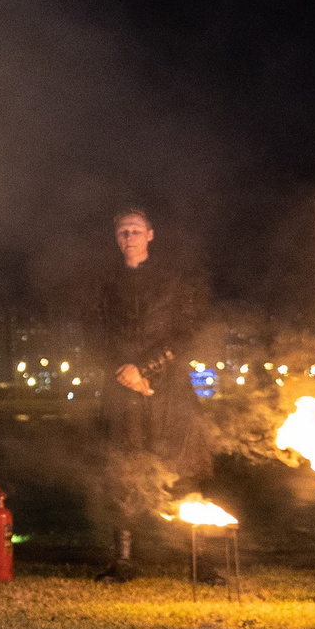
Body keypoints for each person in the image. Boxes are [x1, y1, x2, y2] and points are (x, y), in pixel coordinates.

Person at [85, 206, 210, 580]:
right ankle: (122, 561)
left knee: (183, 472)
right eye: (123, 231)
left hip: (169, 390)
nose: (129, 237)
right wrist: (124, 373)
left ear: (150, 235)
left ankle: (197, 559)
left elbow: (185, 333)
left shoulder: (173, 281)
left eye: (135, 230)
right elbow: (96, 335)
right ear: (116, 238)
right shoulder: (104, 285)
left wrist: (147, 368)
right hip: (122, 392)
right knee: (123, 471)